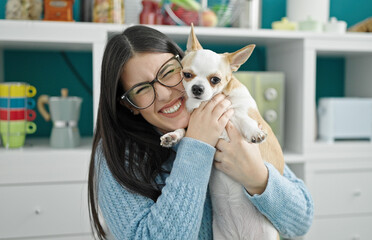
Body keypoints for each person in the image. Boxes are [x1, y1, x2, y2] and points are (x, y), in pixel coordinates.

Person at [88, 25, 314, 240]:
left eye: (168, 72)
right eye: (142, 88)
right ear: (129, 104)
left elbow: (301, 221)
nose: (165, 94)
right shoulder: (117, 154)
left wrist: (258, 178)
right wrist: (197, 145)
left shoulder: (232, 113)